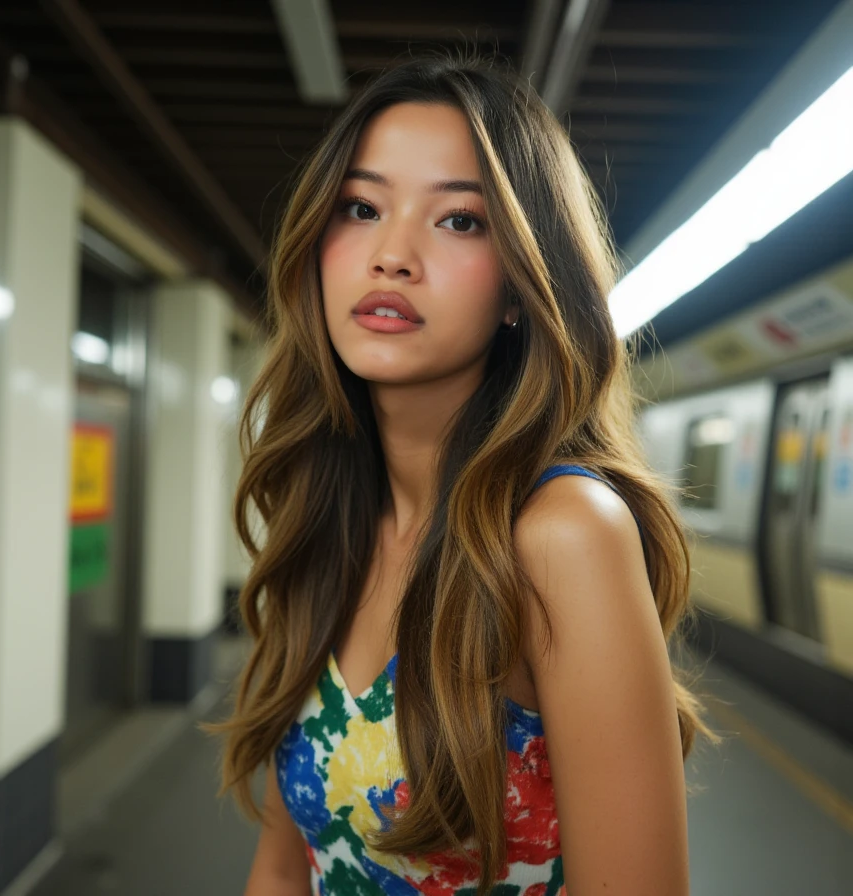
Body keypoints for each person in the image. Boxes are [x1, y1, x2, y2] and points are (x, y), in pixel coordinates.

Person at [206, 52, 719, 896]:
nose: (392, 255)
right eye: (361, 207)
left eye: (460, 222)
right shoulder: (328, 519)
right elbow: (283, 863)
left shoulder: (561, 535)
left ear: (520, 286)